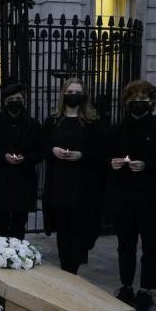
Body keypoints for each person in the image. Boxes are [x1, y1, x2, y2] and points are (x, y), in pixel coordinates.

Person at [106, 80, 156, 311]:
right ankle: (126, 285)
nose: (138, 104)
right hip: (123, 195)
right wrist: (112, 163)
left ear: (152, 102)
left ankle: (147, 289)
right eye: (133, 100)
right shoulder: (116, 129)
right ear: (126, 102)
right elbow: (106, 158)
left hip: (151, 196)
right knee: (125, 243)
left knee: (151, 244)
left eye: (143, 100)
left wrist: (147, 166)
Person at [42, 78, 107, 274]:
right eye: (70, 91)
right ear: (64, 94)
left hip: (83, 184)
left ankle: (72, 270)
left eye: (77, 92)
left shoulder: (93, 122)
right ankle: (65, 270)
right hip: (59, 182)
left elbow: (102, 153)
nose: (73, 95)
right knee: (63, 231)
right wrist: (53, 150)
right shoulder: (53, 120)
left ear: (84, 95)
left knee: (79, 230)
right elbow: (42, 146)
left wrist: (81, 155)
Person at [0, 82, 41, 241]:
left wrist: (25, 158)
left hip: (24, 180)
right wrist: (4, 157)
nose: (15, 101)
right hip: (1, 180)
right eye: (11, 99)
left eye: (18, 98)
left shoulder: (33, 124)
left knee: (19, 225)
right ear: (4, 102)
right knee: (0, 225)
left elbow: (40, 152)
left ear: (23, 100)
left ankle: (17, 255)